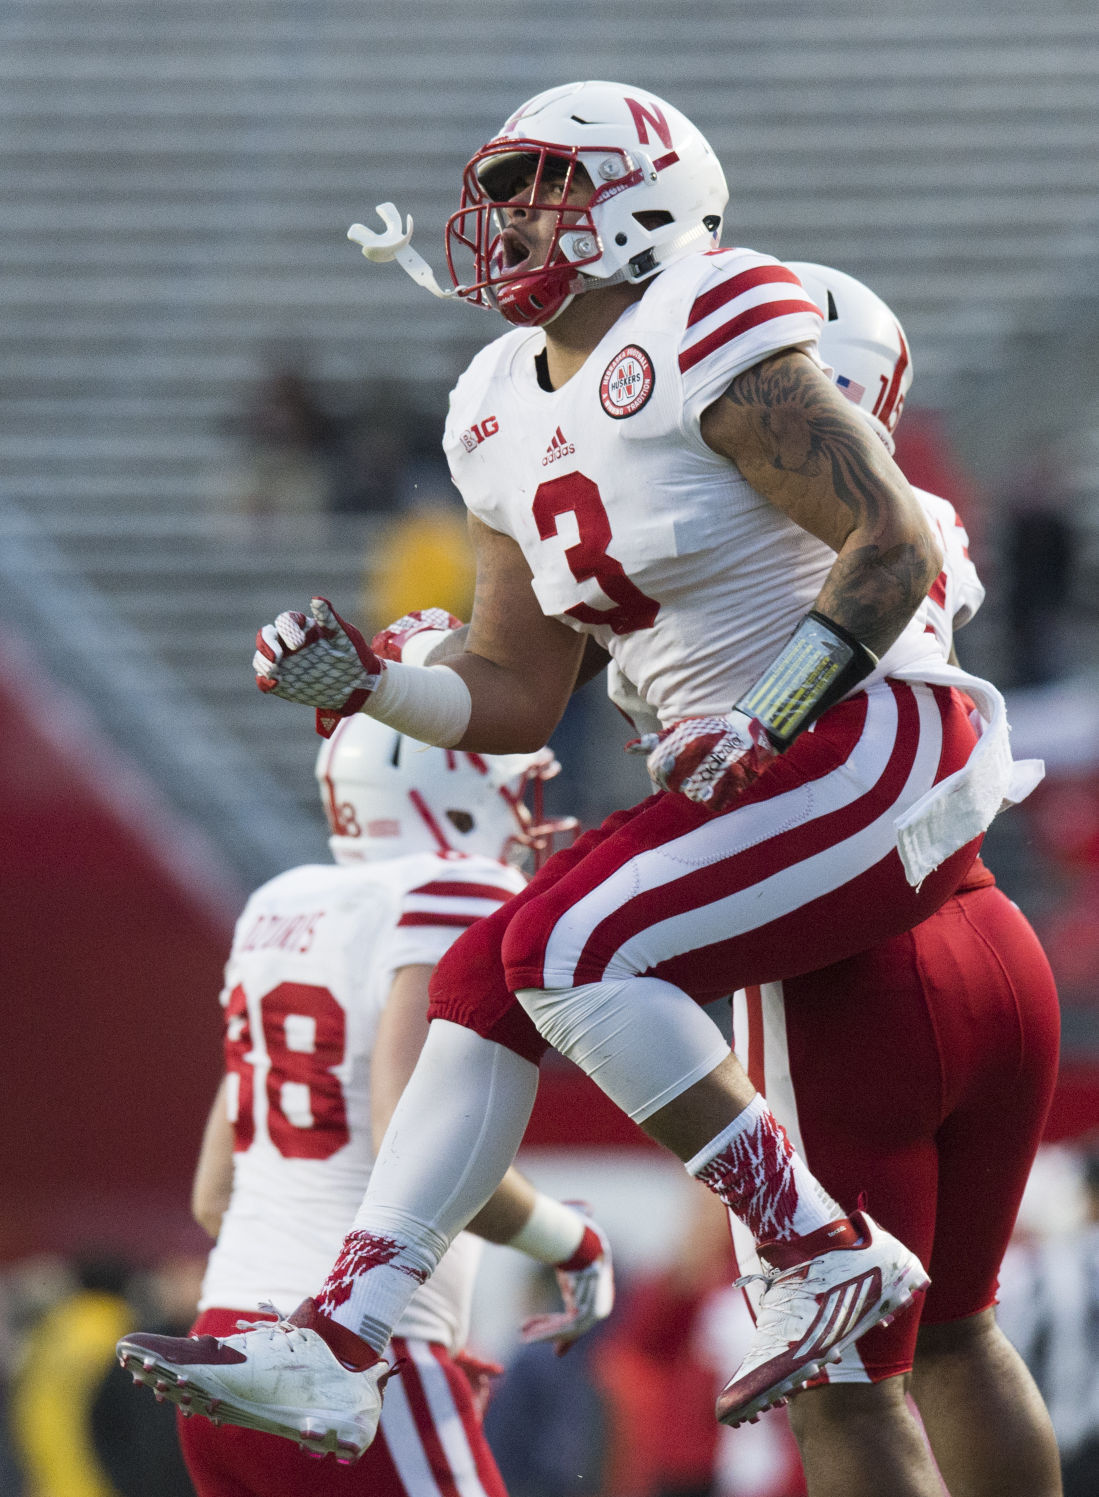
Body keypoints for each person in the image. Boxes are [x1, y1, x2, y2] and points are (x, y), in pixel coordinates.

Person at [117, 81, 1042, 1482]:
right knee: (492, 970)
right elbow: (509, 688)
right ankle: (345, 1337)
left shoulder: (709, 319)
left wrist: (771, 713)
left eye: (543, 184)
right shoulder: (491, 407)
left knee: (563, 941)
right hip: (735, 772)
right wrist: (366, 683)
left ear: (646, 199)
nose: (505, 218)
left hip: (860, 733)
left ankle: (811, 1246)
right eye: (501, 187)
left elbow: (890, 544)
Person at [121, 713, 615, 1493]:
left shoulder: (279, 906)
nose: (526, 813)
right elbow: (417, 1137)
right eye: (513, 787)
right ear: (448, 790)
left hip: (221, 1349)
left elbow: (215, 1196)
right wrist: (571, 1239)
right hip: (346, 1364)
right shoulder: (455, 887)